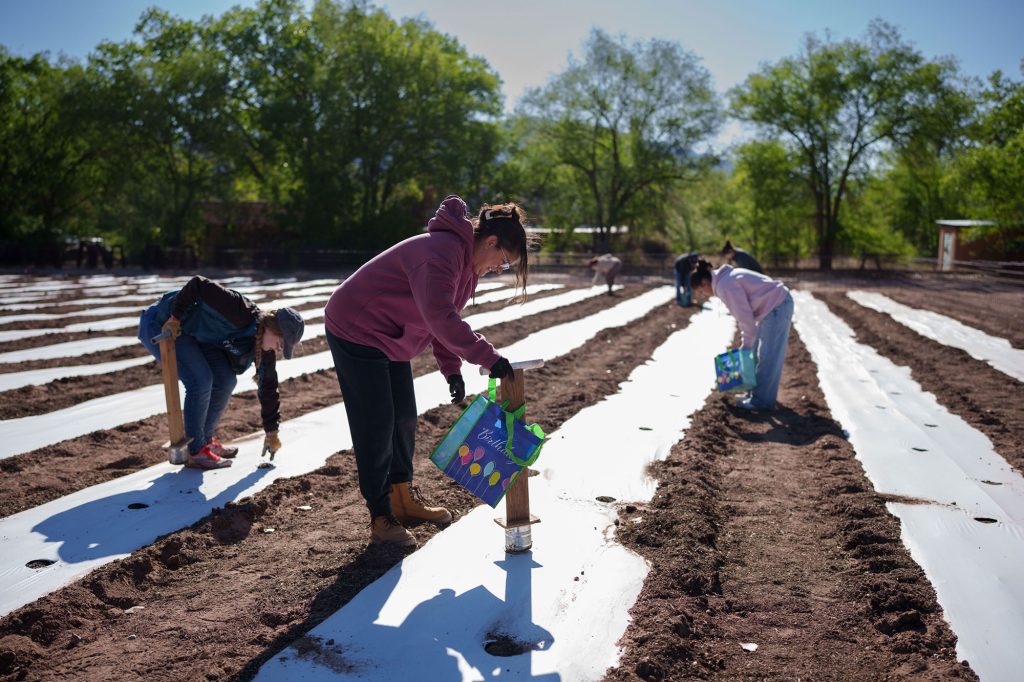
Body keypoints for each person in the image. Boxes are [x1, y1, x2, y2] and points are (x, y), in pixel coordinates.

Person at [324, 195, 534, 547]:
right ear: (491, 242)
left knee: (404, 417)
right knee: (376, 423)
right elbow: (441, 317)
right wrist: (488, 357)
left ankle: (403, 499)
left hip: (388, 336)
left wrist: (451, 368)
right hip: (356, 327)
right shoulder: (441, 253)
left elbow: (440, 319)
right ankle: (380, 516)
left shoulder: (467, 270)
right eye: (504, 260)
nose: (500, 269)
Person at [138, 276, 305, 469]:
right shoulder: (239, 310)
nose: (278, 349)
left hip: (193, 335)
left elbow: (268, 387)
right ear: (271, 328)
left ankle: (205, 441)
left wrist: (271, 432)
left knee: (226, 381)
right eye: (280, 343)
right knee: (200, 381)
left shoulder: (263, 349)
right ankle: (196, 451)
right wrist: (175, 317)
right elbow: (198, 284)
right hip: (163, 323)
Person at [690, 259, 793, 411]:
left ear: (705, 282)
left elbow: (745, 319)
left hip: (777, 305)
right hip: (771, 306)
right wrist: (747, 347)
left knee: (768, 356)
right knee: (756, 353)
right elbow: (746, 318)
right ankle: (755, 395)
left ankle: (762, 402)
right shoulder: (725, 280)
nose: (704, 295)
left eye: (701, 291)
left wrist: (745, 347)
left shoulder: (726, 286)